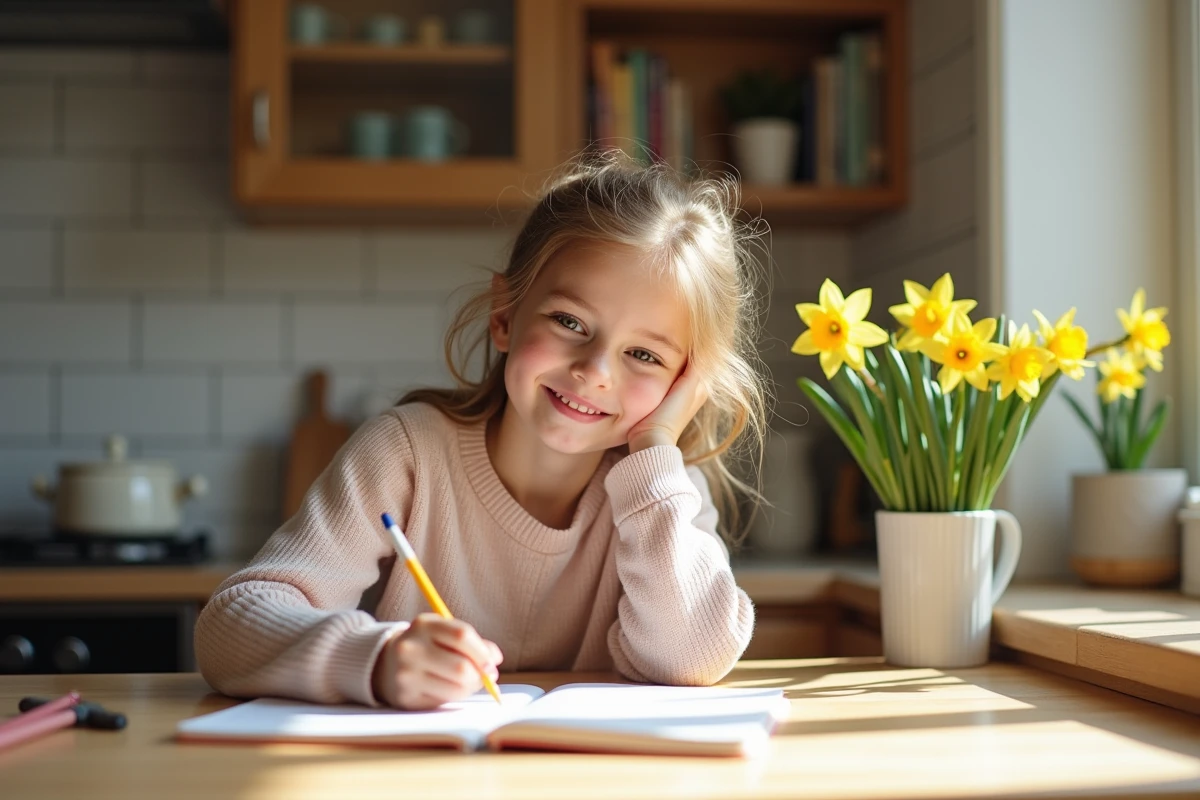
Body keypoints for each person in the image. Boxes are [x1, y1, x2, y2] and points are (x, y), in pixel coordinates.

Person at [194, 152, 771, 710]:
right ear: (504, 316)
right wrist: (374, 658)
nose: (595, 373)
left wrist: (655, 448)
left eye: (644, 354)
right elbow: (227, 629)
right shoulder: (406, 452)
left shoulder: (666, 491)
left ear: (685, 383)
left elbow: (691, 660)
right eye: (570, 322)